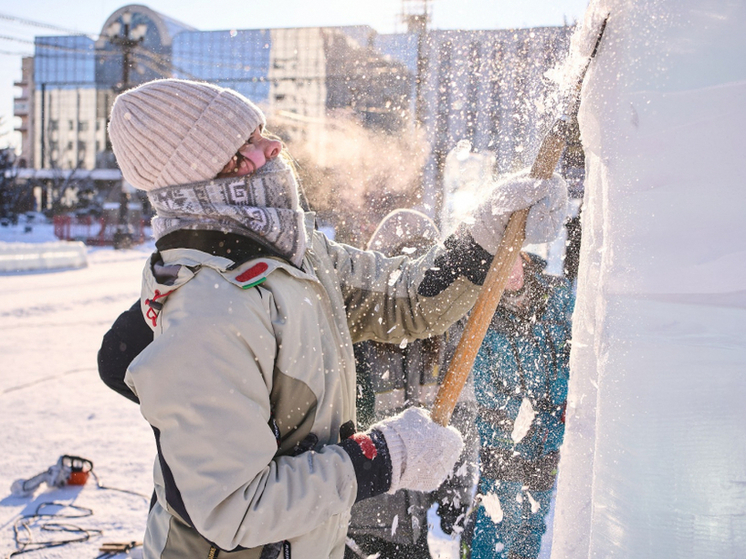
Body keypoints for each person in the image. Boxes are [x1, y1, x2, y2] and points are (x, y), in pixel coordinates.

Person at [100, 77, 568, 559]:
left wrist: (483, 236)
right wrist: (383, 459)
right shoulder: (206, 313)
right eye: (252, 143)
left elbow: (402, 299)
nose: (274, 145)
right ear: (218, 170)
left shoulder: (298, 255)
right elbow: (236, 508)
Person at [346, 209, 479, 559]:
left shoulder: (448, 339)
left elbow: (461, 422)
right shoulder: (353, 338)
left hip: (409, 526)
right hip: (353, 520)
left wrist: (457, 494)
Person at [468, 251, 574, 559]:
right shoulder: (481, 313)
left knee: (532, 524)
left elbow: (572, 354)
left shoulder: (557, 295)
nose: (509, 271)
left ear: (524, 256)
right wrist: (523, 415)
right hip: (502, 437)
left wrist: (554, 409)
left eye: (512, 259)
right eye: (498, 266)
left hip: (549, 435)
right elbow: (484, 385)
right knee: (499, 523)